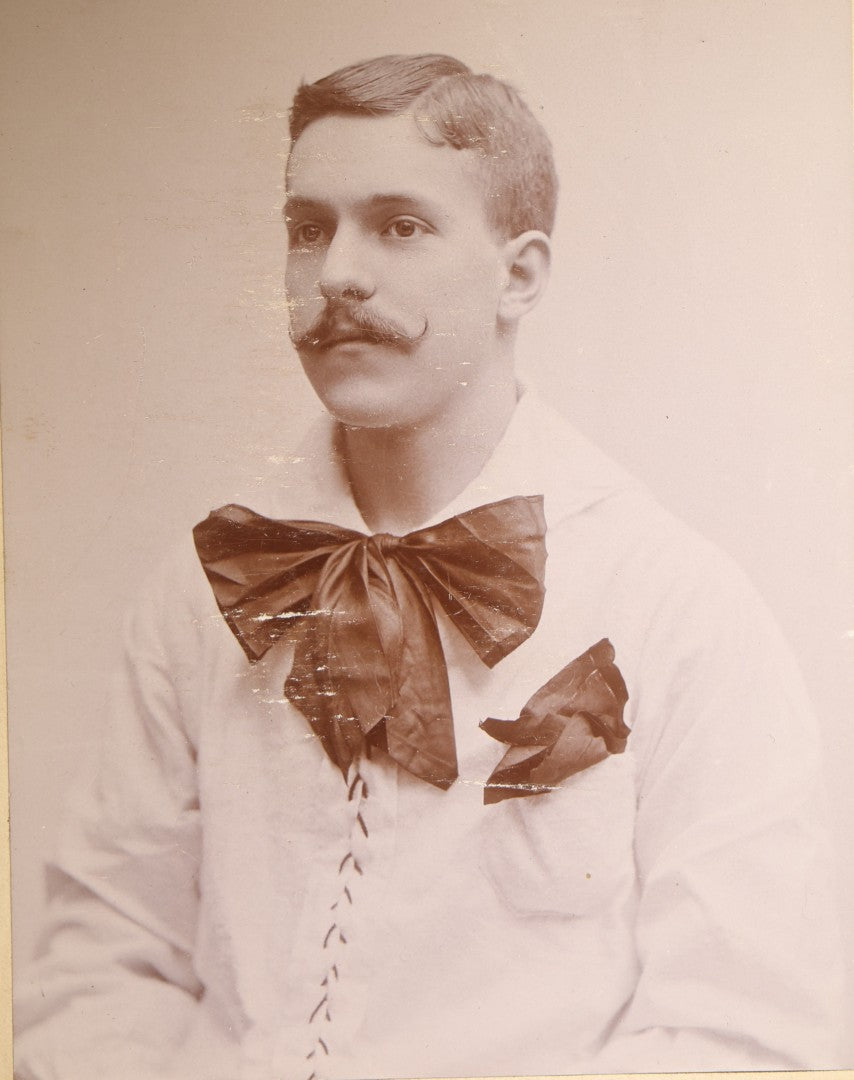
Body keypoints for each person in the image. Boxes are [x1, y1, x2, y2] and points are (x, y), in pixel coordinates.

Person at [14, 53, 843, 1079]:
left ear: (520, 273)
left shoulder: (678, 605)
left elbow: (744, 1031)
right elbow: (101, 961)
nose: (337, 274)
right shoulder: (209, 590)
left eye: (399, 226)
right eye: (306, 229)